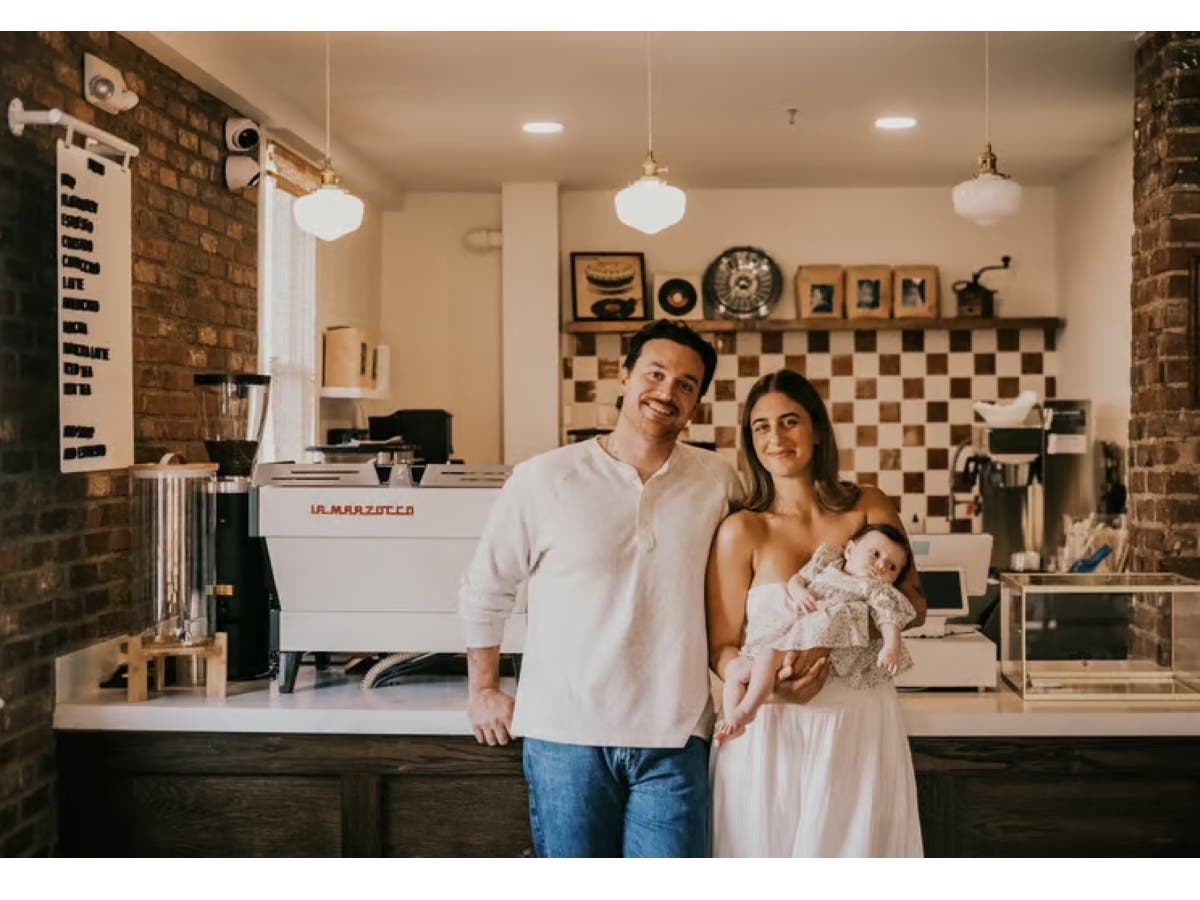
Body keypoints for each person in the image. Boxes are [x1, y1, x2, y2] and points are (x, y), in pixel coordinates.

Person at [458, 319, 747, 858]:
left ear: (697, 403)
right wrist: (483, 691)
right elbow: (485, 587)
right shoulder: (543, 478)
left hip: (675, 735)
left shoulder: (719, 482)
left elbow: (756, 575)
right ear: (623, 376)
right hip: (565, 736)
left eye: (686, 384)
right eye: (655, 374)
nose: (667, 392)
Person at [707, 368, 928, 857]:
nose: (775, 437)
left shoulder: (869, 506)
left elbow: (913, 602)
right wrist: (764, 680)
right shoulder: (741, 530)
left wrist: (831, 634)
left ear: (818, 430)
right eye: (760, 426)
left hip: (858, 726)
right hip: (770, 731)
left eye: (790, 421)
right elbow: (721, 647)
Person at [716, 522, 916, 744]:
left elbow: (889, 618)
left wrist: (891, 647)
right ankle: (732, 715)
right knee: (736, 669)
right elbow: (797, 580)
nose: (880, 566)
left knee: (767, 656)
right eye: (876, 554)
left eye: (892, 568)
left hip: (807, 639)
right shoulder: (828, 563)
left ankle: (747, 711)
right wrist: (799, 592)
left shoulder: (873, 589)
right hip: (788, 629)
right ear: (849, 550)